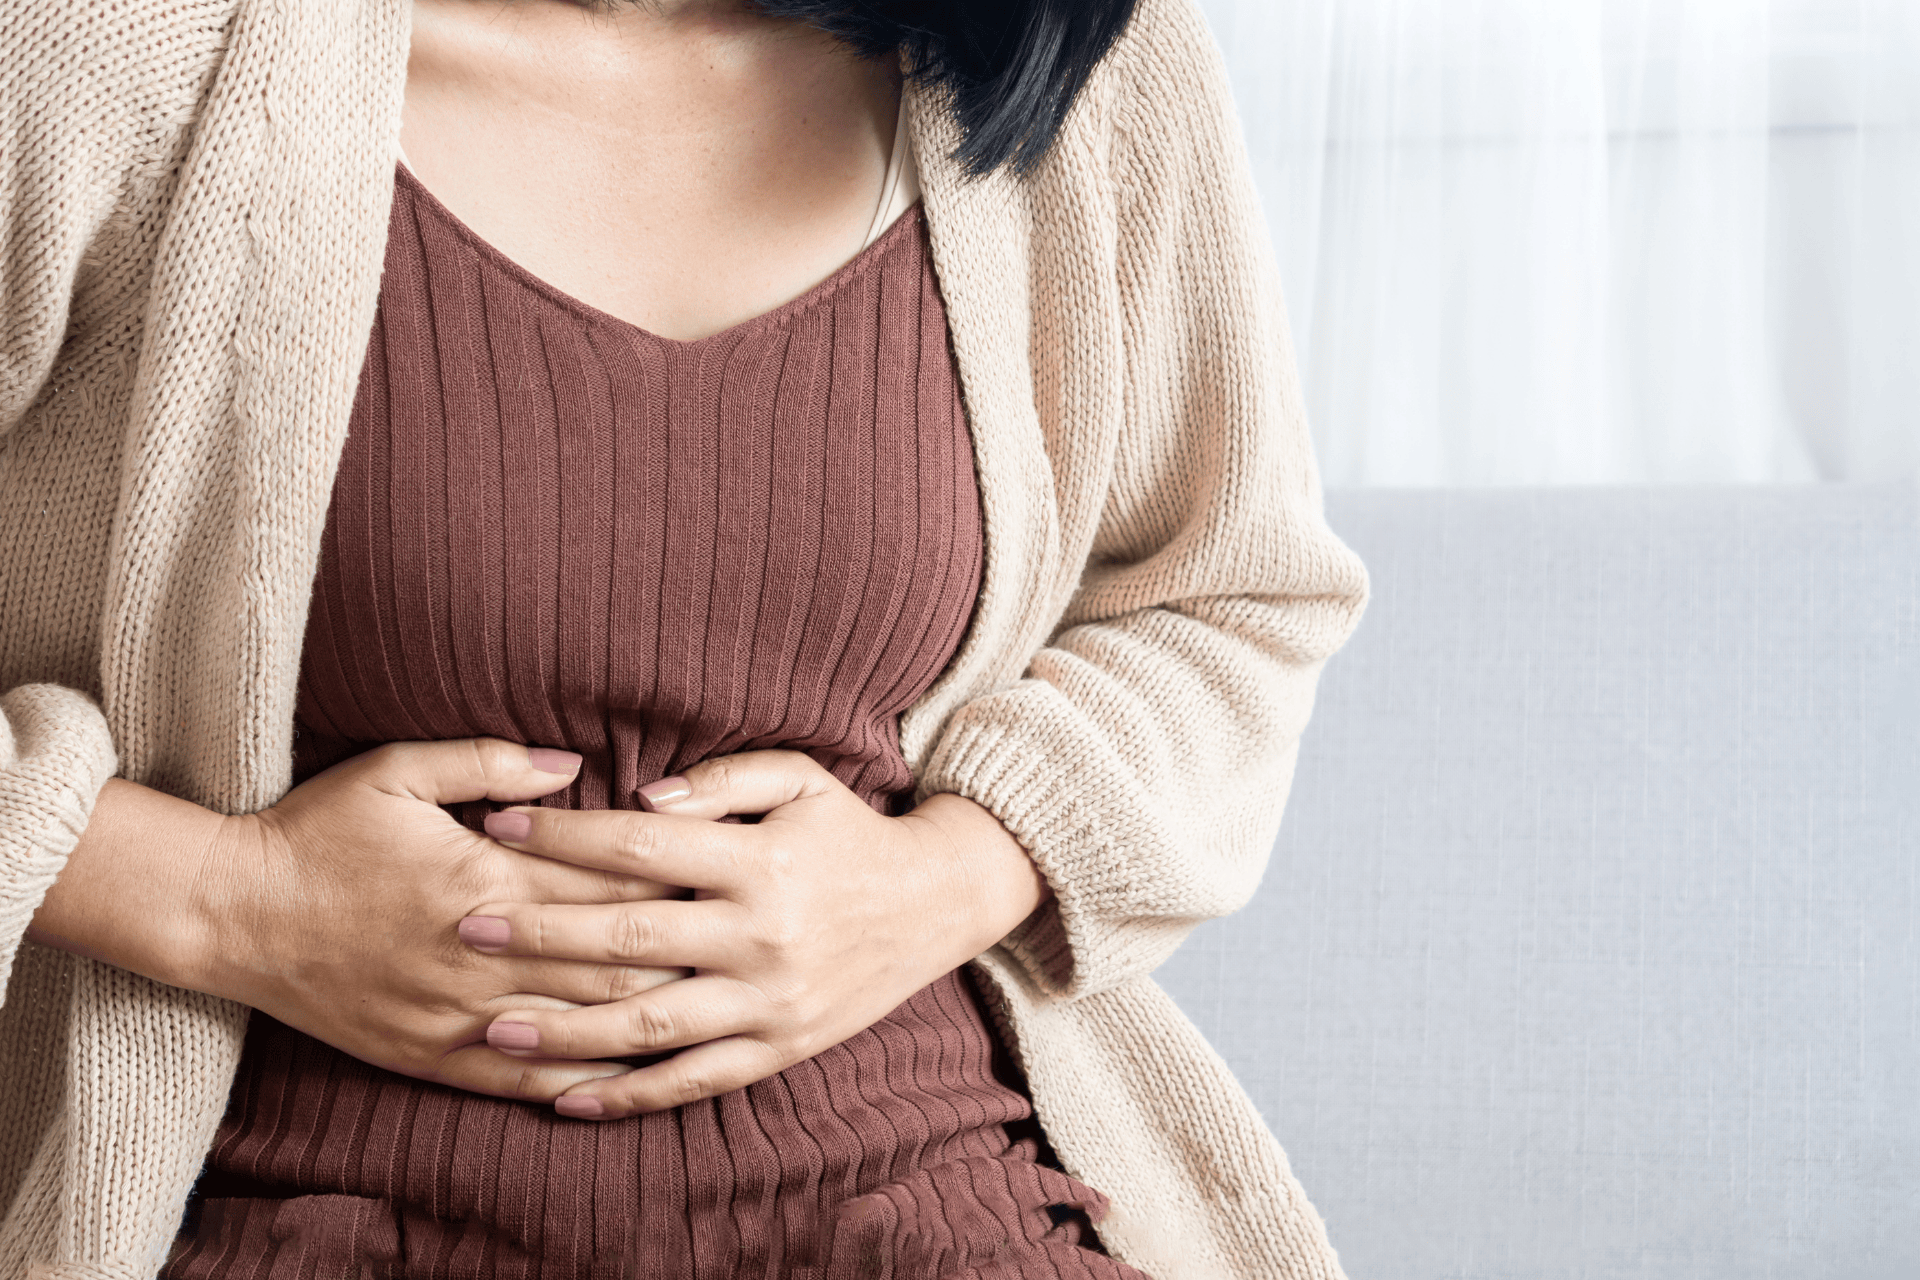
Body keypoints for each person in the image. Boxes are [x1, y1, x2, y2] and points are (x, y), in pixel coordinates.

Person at [0, 0, 1369, 1275]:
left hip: (933, 1191)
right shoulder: (119, 51)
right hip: (276, 1195)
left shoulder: (1063, 64)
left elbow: (1231, 594)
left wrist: (939, 882)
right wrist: (229, 899)